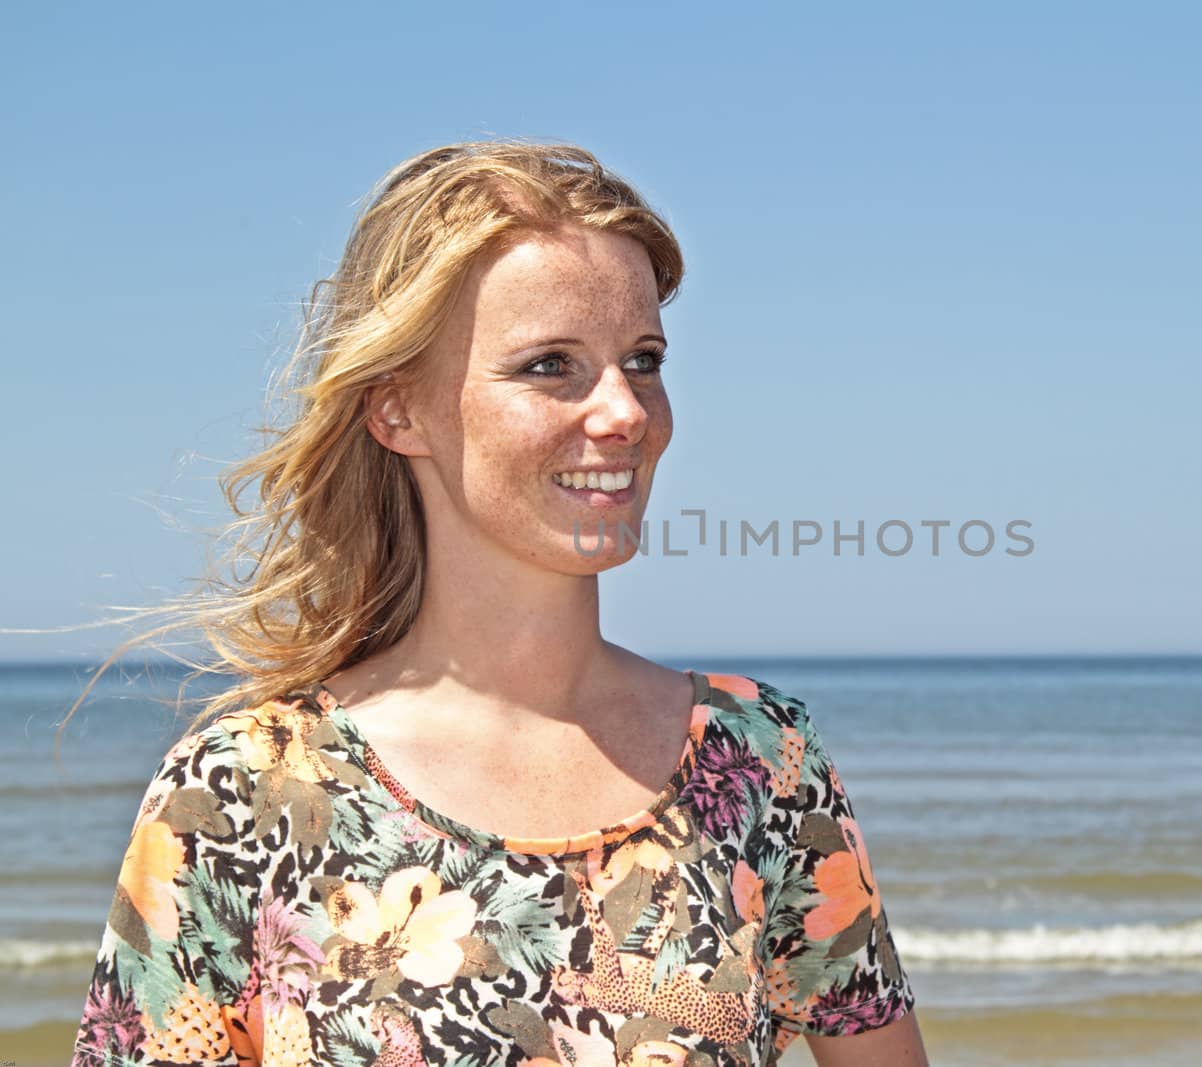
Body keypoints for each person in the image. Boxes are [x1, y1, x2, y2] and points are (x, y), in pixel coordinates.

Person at [71, 141, 926, 1067]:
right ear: (398, 410)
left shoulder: (759, 761)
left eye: (642, 359)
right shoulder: (242, 791)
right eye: (552, 365)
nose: (626, 411)